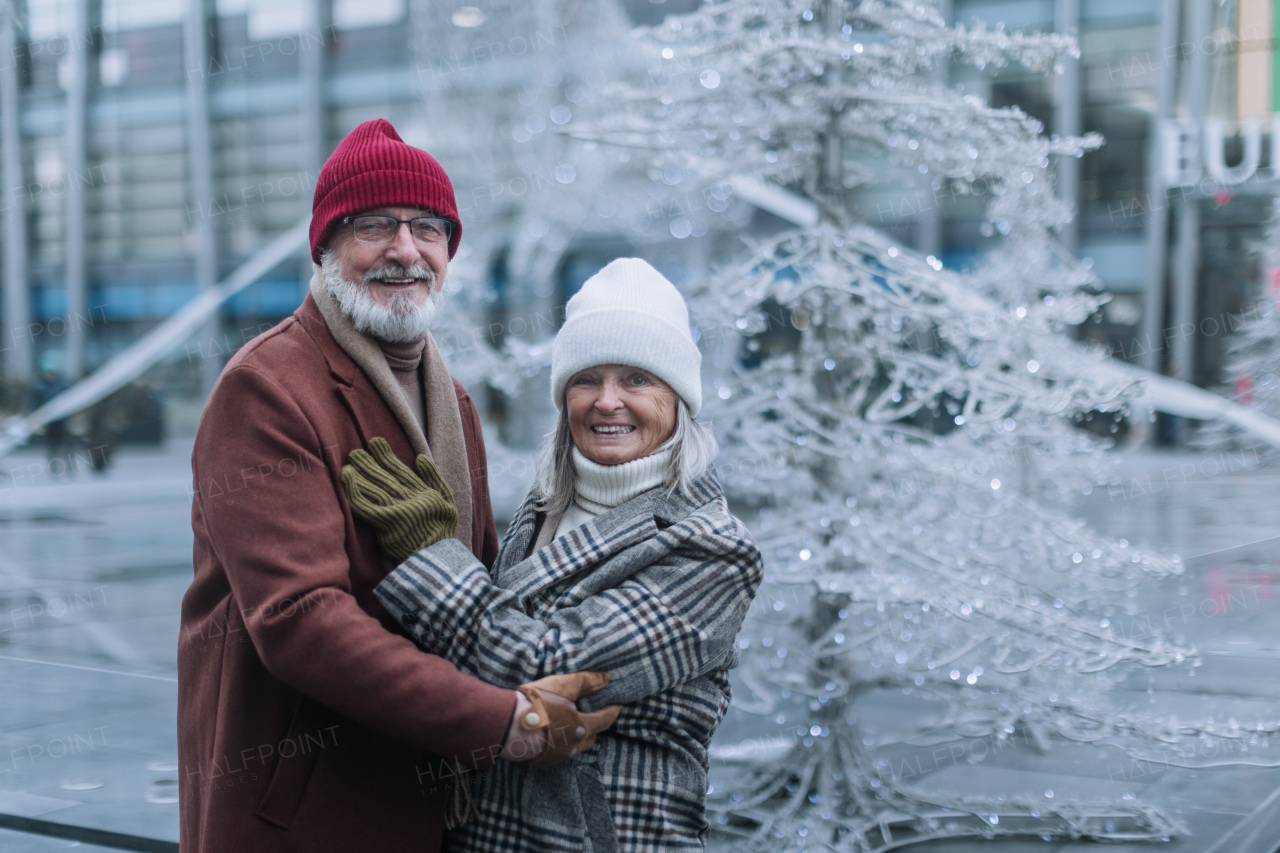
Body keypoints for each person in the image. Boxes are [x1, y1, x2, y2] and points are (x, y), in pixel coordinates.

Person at [178, 119, 616, 853]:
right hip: (304, 809)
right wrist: (498, 720)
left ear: (450, 253)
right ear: (325, 249)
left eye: (428, 229)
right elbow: (299, 617)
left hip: (428, 796)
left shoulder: (451, 396)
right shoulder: (265, 388)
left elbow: (476, 589)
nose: (405, 250)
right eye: (373, 226)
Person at [345, 258, 764, 851]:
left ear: (680, 399)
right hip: (485, 833)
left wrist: (431, 552)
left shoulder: (714, 550)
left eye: (637, 380)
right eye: (586, 379)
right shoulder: (544, 505)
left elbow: (541, 663)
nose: (607, 401)